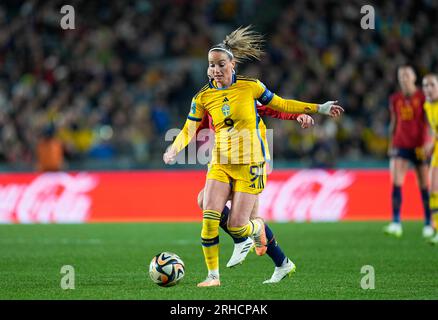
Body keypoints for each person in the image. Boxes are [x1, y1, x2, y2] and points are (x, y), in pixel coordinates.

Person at [163, 26, 344, 287]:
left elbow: (277, 105)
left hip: (252, 160)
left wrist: (316, 109)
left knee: (242, 223)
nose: (214, 70)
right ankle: (214, 276)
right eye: (211, 66)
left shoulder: (249, 88)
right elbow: (189, 128)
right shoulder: (203, 96)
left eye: (220, 65)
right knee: (208, 208)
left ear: (232, 64)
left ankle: (261, 245)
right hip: (221, 162)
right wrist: (174, 148)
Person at [384, 65, 433, 238]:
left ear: (413, 77)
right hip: (400, 144)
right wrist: (391, 144)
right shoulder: (395, 98)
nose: (403, 78)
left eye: (406, 75)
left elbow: (429, 121)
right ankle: (396, 222)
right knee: (396, 182)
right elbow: (394, 122)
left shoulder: (423, 96)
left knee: (424, 184)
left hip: (419, 146)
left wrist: (429, 141)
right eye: (401, 75)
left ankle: (428, 223)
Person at [422, 74, 438, 244]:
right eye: (425, 85)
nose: (428, 89)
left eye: (432, 85)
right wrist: (431, 144)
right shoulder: (427, 105)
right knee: (433, 190)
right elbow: (434, 130)